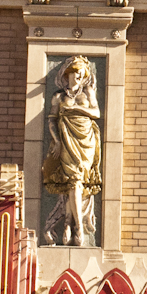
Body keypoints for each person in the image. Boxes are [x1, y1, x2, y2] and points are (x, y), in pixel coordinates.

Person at [42, 56, 102, 246]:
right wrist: (57, 142)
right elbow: (51, 120)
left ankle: (70, 223)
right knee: (73, 183)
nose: (76, 77)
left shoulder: (88, 92)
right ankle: (76, 226)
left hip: (86, 140)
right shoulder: (58, 96)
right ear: (66, 74)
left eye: (80, 74)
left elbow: (96, 113)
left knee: (77, 183)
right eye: (73, 73)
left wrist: (76, 108)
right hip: (66, 140)